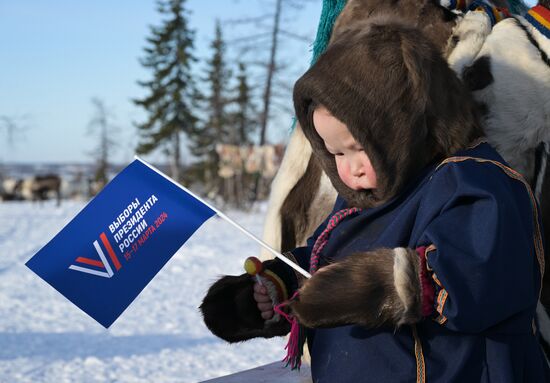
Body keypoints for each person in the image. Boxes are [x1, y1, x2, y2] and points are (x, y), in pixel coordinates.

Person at [201, 18, 550, 382]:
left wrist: (370, 286)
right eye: (335, 153)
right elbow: (334, 259)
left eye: (359, 147)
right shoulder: (366, 193)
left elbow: (482, 279)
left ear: (406, 124)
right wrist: (284, 282)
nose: (350, 170)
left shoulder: (475, 182)